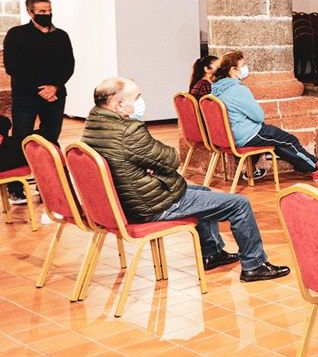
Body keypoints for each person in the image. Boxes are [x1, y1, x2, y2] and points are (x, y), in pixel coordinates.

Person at [81, 77, 290, 282]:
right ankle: (255, 265)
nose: (140, 102)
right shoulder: (128, 131)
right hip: (150, 205)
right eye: (137, 97)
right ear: (119, 104)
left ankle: (212, 253)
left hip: (128, 202)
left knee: (205, 193)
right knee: (239, 204)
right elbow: (171, 159)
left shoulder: (93, 126)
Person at [211, 51, 318, 180]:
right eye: (243, 65)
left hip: (231, 135)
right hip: (247, 134)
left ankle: (252, 171)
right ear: (233, 69)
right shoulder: (238, 89)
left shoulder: (216, 89)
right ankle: (316, 167)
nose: (245, 68)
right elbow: (258, 116)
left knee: (276, 141)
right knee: (288, 140)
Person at [3, 0, 75, 145]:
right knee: (22, 139)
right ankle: (24, 168)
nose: (47, 14)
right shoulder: (16, 35)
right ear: (30, 12)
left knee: (51, 138)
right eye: (42, 12)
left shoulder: (61, 36)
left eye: (49, 11)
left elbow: (68, 65)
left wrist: (54, 87)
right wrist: (43, 90)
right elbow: (13, 67)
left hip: (55, 95)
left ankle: (51, 168)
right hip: (26, 96)